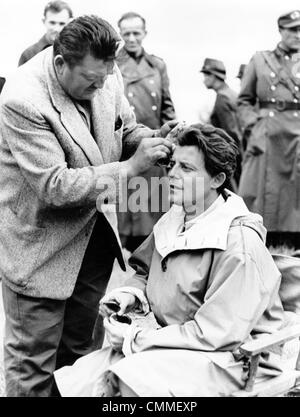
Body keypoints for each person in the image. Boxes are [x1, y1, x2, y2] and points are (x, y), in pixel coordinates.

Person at [0, 15, 175, 397]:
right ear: (61, 64)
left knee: (80, 360)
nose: (100, 88)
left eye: (105, 79)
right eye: (91, 81)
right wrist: (131, 167)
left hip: (92, 246)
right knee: (33, 367)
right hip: (40, 254)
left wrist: (154, 140)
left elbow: (125, 129)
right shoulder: (22, 98)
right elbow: (55, 186)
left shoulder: (105, 74)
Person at [54, 124, 294, 397]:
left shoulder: (239, 244)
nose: (172, 175)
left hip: (235, 359)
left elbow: (215, 334)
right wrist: (131, 294)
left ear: (217, 179)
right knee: (81, 378)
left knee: (127, 380)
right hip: (178, 342)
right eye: (173, 165)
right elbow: (144, 271)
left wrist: (137, 339)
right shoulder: (177, 216)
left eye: (187, 169)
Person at [238, 10, 300, 249]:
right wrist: (254, 126)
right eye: (292, 30)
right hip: (267, 134)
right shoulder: (261, 60)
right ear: (281, 31)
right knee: (262, 194)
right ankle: (261, 242)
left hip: (297, 135)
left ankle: (294, 247)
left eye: (299, 30)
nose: (296, 35)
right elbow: (244, 100)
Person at [116, 11, 176, 253]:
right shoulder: (113, 64)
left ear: (144, 34)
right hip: (128, 143)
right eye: (126, 33)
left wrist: (172, 135)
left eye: (136, 33)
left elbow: (167, 106)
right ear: (120, 34)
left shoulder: (157, 65)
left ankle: (155, 247)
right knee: (130, 205)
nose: (131, 38)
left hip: (155, 138)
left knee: (155, 204)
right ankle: (130, 250)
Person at [200, 58, 242, 186]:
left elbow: (231, 133)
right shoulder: (232, 94)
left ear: (214, 76)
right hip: (241, 153)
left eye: (206, 75)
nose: (204, 79)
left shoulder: (222, 98)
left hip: (232, 157)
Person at [18, 0, 73, 66]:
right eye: (52, 23)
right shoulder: (28, 55)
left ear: (69, 23)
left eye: (62, 23)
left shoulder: (76, 52)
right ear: (44, 21)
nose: (56, 29)